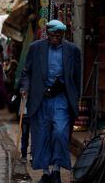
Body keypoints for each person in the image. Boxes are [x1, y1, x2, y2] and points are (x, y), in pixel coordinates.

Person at [20, 20, 81, 183]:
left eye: (59, 35)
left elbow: (77, 78)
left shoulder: (72, 50)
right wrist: (24, 88)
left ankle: (57, 170)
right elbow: (26, 72)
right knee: (41, 136)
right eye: (53, 35)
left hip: (61, 99)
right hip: (40, 99)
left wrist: (76, 99)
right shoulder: (35, 48)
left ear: (63, 34)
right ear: (47, 33)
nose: (56, 38)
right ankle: (46, 173)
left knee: (60, 133)